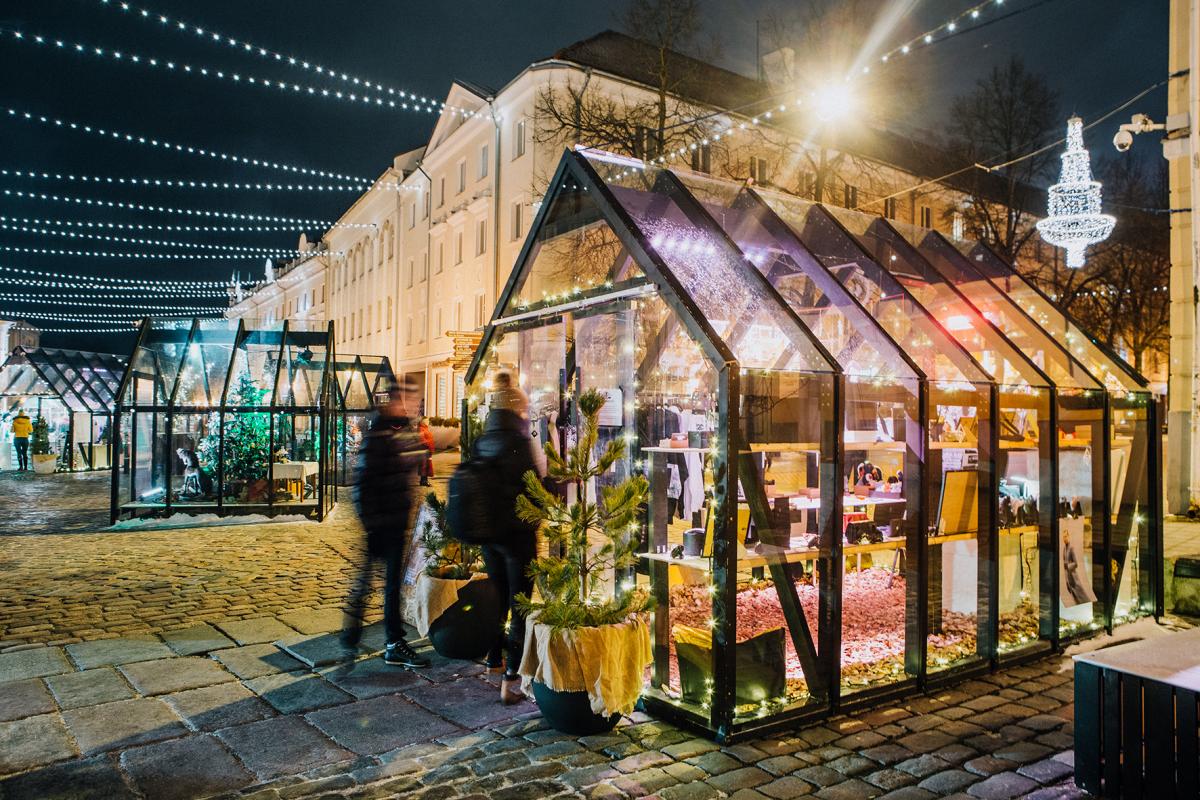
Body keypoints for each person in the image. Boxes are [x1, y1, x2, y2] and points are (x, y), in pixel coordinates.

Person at [340, 377, 430, 668]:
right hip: (381, 523)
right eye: (406, 399)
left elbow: (413, 462)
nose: (411, 405)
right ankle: (380, 640)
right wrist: (372, 522)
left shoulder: (400, 430)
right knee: (379, 584)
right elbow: (362, 484)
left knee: (383, 584)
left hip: (395, 519)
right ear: (393, 401)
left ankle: (364, 637)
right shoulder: (378, 434)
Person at [473, 371, 540, 704]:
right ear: (517, 411)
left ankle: (492, 660)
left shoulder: (482, 439)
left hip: (490, 535)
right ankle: (512, 679)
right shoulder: (518, 443)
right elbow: (533, 487)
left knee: (498, 601)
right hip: (518, 536)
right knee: (521, 605)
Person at [417, 418, 435, 487]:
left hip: (428, 450)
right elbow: (422, 439)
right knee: (424, 466)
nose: (428, 422)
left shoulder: (425, 428)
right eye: (427, 421)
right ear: (423, 422)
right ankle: (424, 481)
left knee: (426, 465)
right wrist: (428, 445)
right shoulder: (421, 429)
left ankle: (424, 480)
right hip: (424, 450)